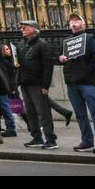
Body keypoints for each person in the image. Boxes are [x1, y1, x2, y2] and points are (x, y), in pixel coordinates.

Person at [57, 14, 95, 153]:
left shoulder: (89, 38)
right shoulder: (66, 41)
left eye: (76, 20)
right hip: (72, 82)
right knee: (80, 114)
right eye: (71, 21)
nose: (73, 22)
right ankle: (87, 141)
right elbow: (61, 57)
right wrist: (61, 58)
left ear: (83, 24)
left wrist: (86, 70)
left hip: (87, 82)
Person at [16, 20, 58, 150]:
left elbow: (48, 67)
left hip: (37, 83)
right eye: (21, 27)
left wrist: (45, 86)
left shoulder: (42, 45)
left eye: (25, 27)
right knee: (30, 112)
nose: (22, 29)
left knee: (43, 112)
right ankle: (36, 137)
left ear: (34, 29)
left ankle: (51, 139)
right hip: (25, 82)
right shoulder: (21, 44)